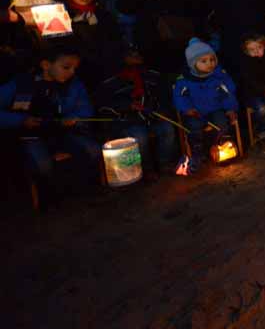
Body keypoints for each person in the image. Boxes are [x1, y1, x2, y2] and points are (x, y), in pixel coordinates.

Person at [0, 41, 101, 208]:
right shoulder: (21, 83)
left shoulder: (74, 84)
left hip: (63, 132)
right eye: (66, 67)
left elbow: (86, 108)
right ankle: (48, 200)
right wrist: (20, 120)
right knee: (42, 164)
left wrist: (74, 117)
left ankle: (83, 192)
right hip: (30, 136)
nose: (72, 73)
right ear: (46, 65)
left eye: (74, 68)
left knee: (93, 150)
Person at [94, 48, 177, 178]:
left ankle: (164, 163)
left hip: (150, 117)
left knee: (167, 129)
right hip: (127, 122)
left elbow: (162, 95)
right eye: (131, 55)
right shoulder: (111, 82)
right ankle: (146, 168)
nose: (136, 56)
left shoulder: (150, 75)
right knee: (140, 136)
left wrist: (156, 108)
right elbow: (104, 105)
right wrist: (127, 106)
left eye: (137, 54)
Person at [172, 38, 238, 175]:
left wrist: (230, 108)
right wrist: (187, 109)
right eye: (204, 61)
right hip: (195, 112)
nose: (210, 64)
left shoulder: (219, 76)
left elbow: (227, 93)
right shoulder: (184, 80)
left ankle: (220, 146)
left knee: (222, 123)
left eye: (212, 59)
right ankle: (197, 151)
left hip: (215, 108)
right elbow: (179, 96)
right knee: (194, 126)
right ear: (193, 63)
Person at [63, 0, 124, 89]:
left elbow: (114, 36)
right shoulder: (63, 14)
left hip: (102, 64)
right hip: (75, 65)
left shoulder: (102, 14)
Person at [238, 34, 265, 155]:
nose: (256, 51)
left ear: (264, 45)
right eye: (252, 50)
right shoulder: (246, 63)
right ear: (247, 51)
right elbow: (251, 82)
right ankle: (264, 136)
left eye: (259, 47)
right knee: (262, 108)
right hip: (252, 94)